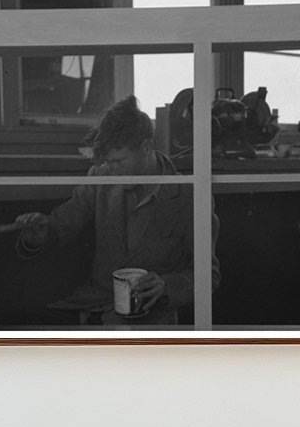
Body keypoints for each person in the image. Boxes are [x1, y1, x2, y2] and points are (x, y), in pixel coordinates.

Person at [14, 96, 220, 326]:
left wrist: (165, 285)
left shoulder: (189, 196)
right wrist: (38, 235)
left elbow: (208, 275)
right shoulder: (102, 177)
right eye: (108, 162)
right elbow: (60, 227)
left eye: (119, 161)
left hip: (150, 320)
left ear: (147, 147)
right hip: (91, 309)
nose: (112, 170)